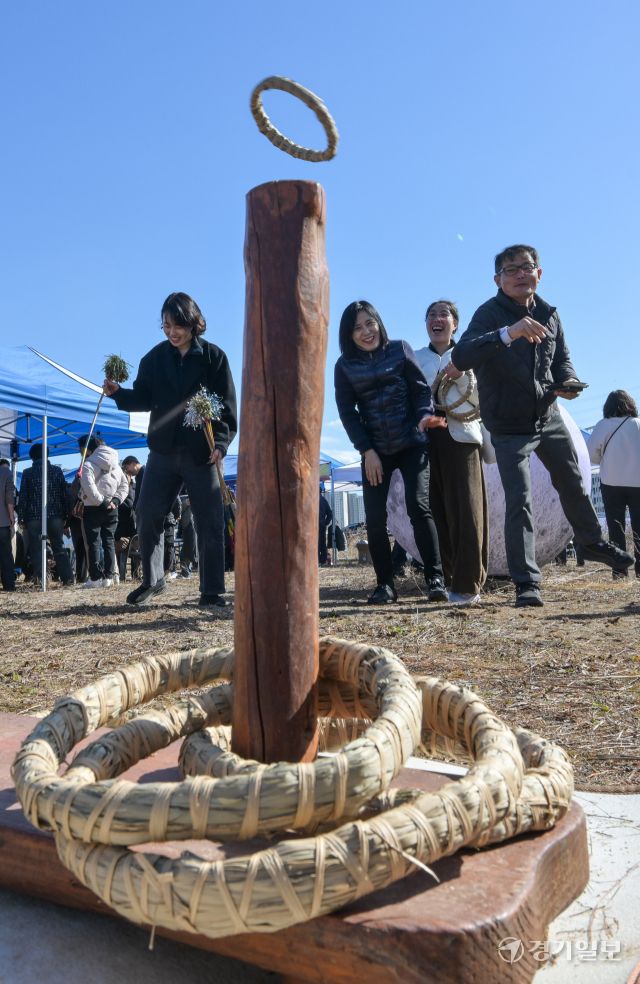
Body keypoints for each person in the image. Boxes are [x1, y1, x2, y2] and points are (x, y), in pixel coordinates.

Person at [452, 244, 633, 607]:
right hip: (506, 423)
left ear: (539, 273)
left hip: (546, 415)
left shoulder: (550, 314)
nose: (521, 274)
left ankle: (591, 542)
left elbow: (563, 361)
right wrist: (509, 333)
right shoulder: (488, 314)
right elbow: (462, 355)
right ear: (497, 279)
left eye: (527, 267)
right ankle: (527, 583)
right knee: (519, 499)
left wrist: (568, 383)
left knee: (572, 480)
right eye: (511, 269)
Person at [103, 292, 237, 607]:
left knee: (209, 519)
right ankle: (153, 580)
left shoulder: (214, 358)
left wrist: (220, 443)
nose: (171, 332)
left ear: (193, 322)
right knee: (147, 511)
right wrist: (118, 393)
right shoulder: (154, 359)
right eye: (165, 325)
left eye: (177, 325)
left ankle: (212, 590)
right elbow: (144, 398)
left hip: (202, 452)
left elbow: (227, 408)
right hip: (162, 451)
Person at [334, 299, 447, 604]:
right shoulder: (344, 366)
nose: (366, 331)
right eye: (358, 327)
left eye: (370, 323)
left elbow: (420, 390)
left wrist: (425, 415)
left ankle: (435, 577)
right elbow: (347, 413)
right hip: (375, 451)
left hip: (412, 443)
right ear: (349, 333)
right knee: (373, 518)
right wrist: (367, 450)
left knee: (418, 507)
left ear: (379, 323)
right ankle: (385, 584)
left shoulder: (400, 349)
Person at [415, 300, 488, 605]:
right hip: (427, 442)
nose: (436, 319)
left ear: (455, 323)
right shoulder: (415, 358)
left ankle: (468, 584)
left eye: (443, 314)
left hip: (463, 437)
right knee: (437, 512)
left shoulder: (470, 355)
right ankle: (447, 579)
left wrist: (458, 379)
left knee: (467, 511)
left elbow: (485, 395)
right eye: (431, 315)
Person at [587, 390, 640, 580]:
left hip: (611, 482)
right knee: (639, 528)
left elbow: (591, 455)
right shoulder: (638, 424)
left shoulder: (603, 425)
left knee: (615, 527)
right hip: (638, 482)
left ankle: (620, 571)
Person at [17, 444, 73, 587]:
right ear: (47, 455)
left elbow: (23, 497)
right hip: (55, 515)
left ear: (31, 457)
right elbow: (64, 495)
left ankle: (41, 580)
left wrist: (21, 517)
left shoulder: (27, 472)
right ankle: (68, 579)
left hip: (33, 515)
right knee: (59, 547)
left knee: (36, 549)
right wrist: (67, 516)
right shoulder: (57, 471)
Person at [78, 435, 129, 588]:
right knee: (109, 541)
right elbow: (124, 486)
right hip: (112, 509)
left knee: (93, 542)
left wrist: (101, 501)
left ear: (86, 448)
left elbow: (88, 486)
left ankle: (95, 578)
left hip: (93, 507)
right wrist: (115, 501)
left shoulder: (88, 464)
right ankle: (109, 577)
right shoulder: (116, 465)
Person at [0, 458, 16, 592]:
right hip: (2, 520)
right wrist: (11, 515)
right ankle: (9, 584)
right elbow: (9, 496)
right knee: (6, 554)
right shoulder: (6, 472)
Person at [318, 489, 332, 565]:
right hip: (322, 525)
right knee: (322, 543)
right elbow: (330, 514)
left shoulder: (311, 499)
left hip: (314, 525)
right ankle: (323, 561)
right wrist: (325, 523)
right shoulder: (323, 500)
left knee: (315, 543)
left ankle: (316, 560)